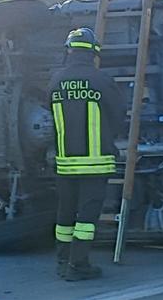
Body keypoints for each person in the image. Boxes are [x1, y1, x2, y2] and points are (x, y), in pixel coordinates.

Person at [49, 28, 127, 281]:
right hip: (95, 164)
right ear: (94, 52)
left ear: (69, 50)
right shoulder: (101, 81)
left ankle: (62, 261)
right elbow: (119, 115)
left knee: (64, 215)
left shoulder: (55, 81)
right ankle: (78, 265)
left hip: (65, 163)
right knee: (86, 218)